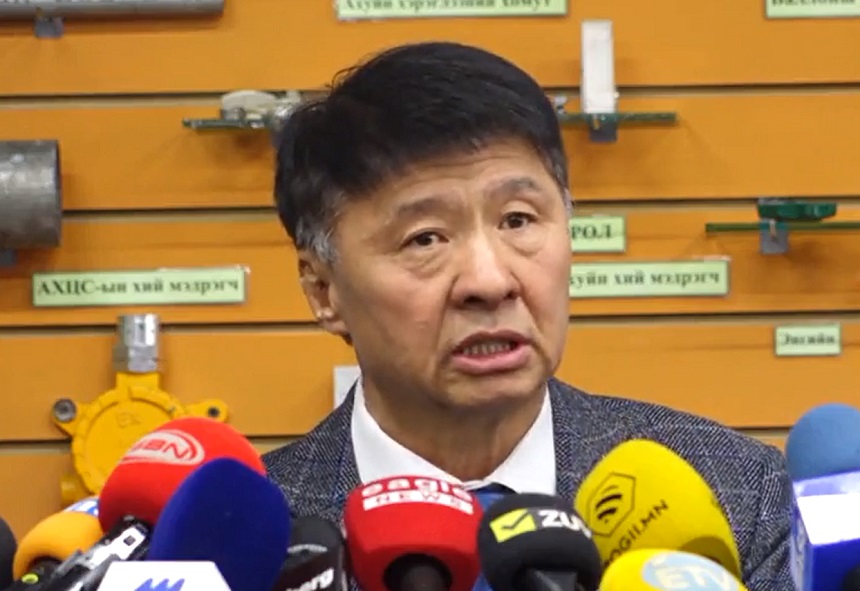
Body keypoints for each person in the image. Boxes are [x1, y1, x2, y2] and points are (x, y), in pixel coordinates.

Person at [262, 41, 791, 591]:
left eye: (517, 220)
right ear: (323, 291)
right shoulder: (252, 543)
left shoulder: (736, 495)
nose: (490, 282)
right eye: (425, 239)